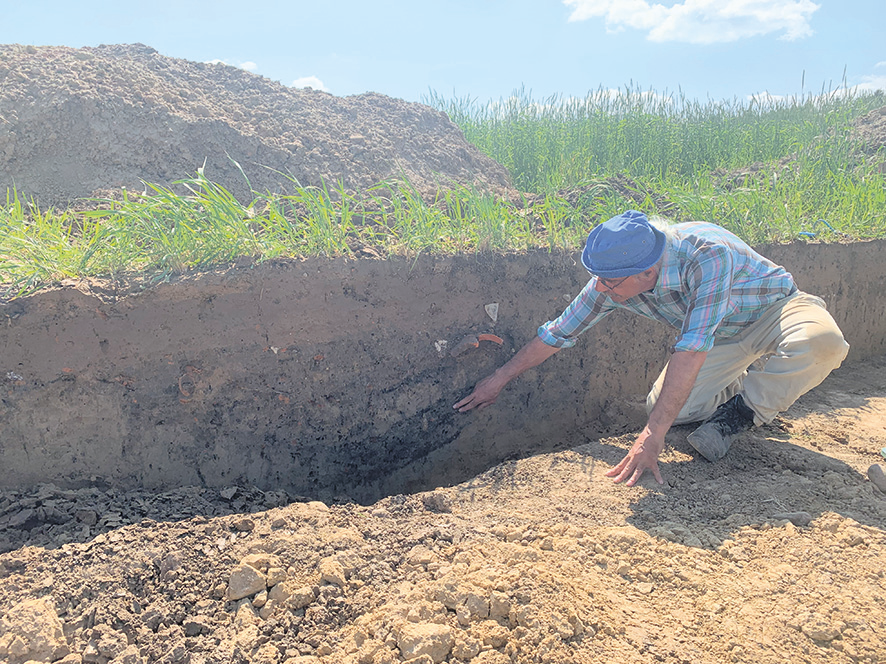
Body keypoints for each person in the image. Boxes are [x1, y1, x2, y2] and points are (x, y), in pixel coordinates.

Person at [453, 210, 849, 487]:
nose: (601, 290)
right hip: (721, 337)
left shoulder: (706, 255)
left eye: (609, 284)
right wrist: (499, 378)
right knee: (674, 411)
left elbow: (691, 348)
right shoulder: (614, 279)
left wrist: (650, 436)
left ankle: (743, 413)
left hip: (773, 310)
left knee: (821, 344)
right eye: (599, 281)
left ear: (648, 272)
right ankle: (732, 385)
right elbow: (558, 332)